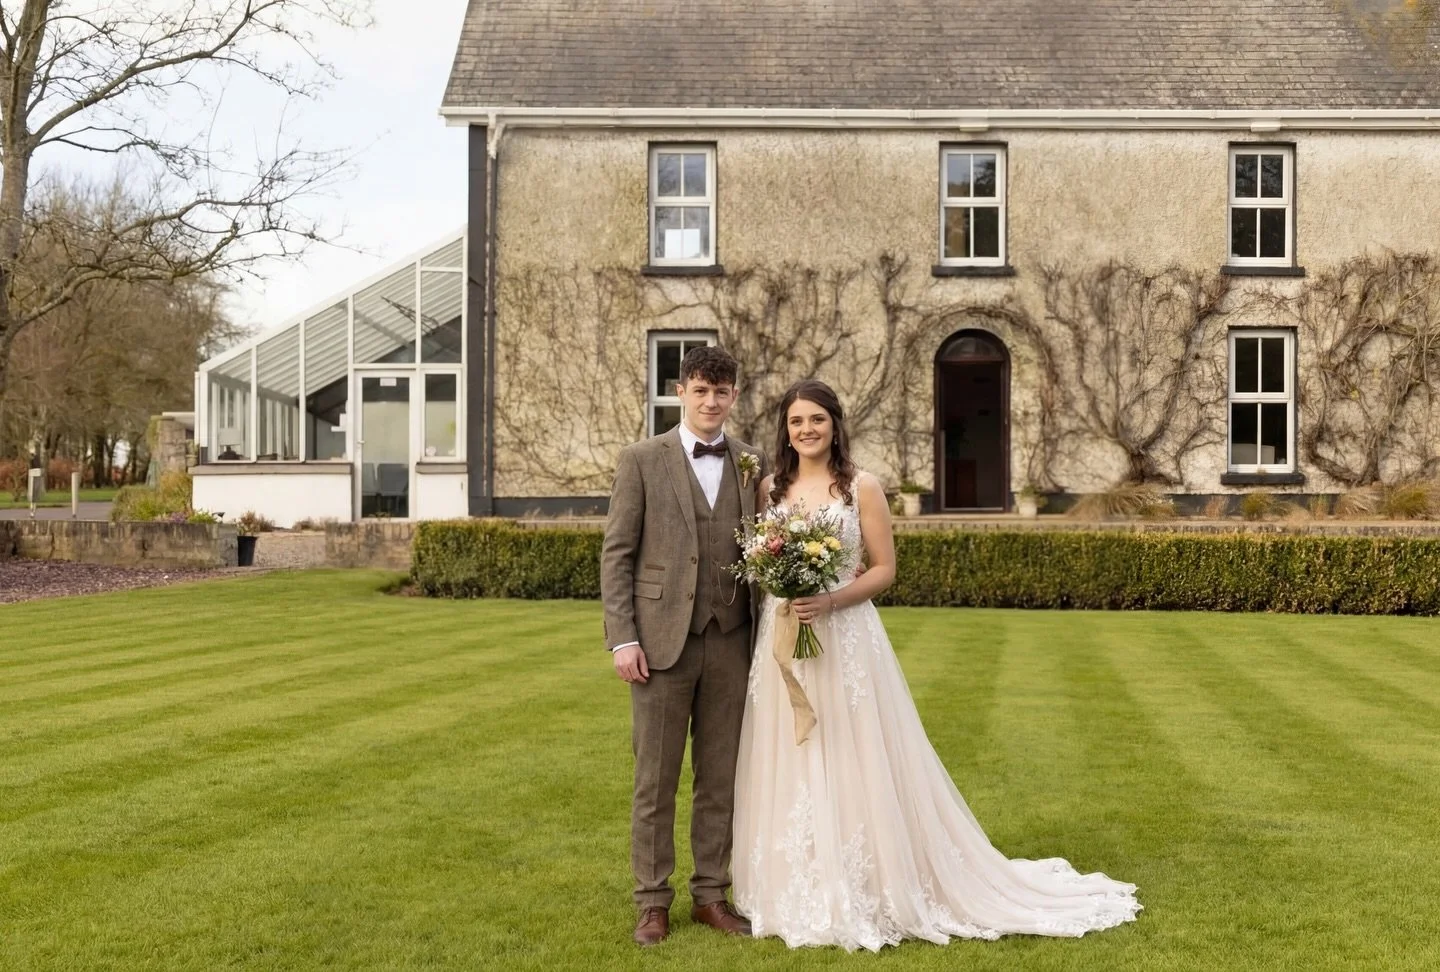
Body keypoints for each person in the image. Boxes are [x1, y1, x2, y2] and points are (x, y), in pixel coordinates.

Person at [732, 378, 1142, 952]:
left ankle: (870, 880)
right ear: (786, 428)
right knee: (790, 751)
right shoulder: (770, 488)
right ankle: (794, 879)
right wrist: (785, 588)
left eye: (817, 420)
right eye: (797, 421)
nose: (806, 430)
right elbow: (759, 555)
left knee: (853, 751)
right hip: (783, 640)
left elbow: (882, 570)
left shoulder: (862, 488)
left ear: (835, 424)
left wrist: (827, 600)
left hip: (844, 637)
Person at [601, 345, 769, 947]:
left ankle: (710, 895)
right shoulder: (642, 459)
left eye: (721, 391)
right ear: (681, 392)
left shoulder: (752, 462)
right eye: (700, 390)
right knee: (656, 778)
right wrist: (623, 637)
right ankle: (651, 900)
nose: (711, 401)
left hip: (732, 640)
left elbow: (766, 548)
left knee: (719, 776)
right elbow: (617, 555)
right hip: (659, 642)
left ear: (733, 396)